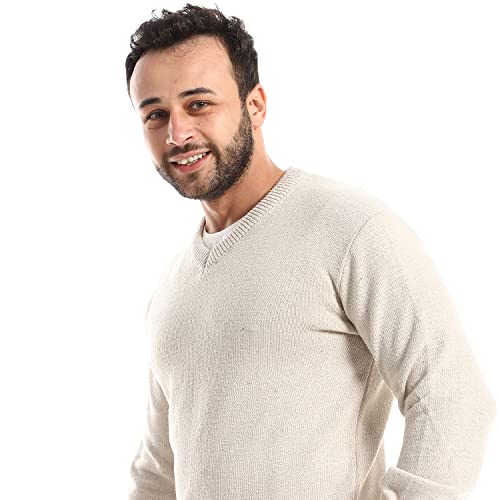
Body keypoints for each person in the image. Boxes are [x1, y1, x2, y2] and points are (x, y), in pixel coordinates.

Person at [124, 4, 496, 499]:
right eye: (155, 114)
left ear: (255, 105)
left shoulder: (349, 228)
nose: (177, 133)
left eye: (199, 104)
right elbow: (158, 472)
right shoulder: (172, 290)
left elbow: (451, 394)